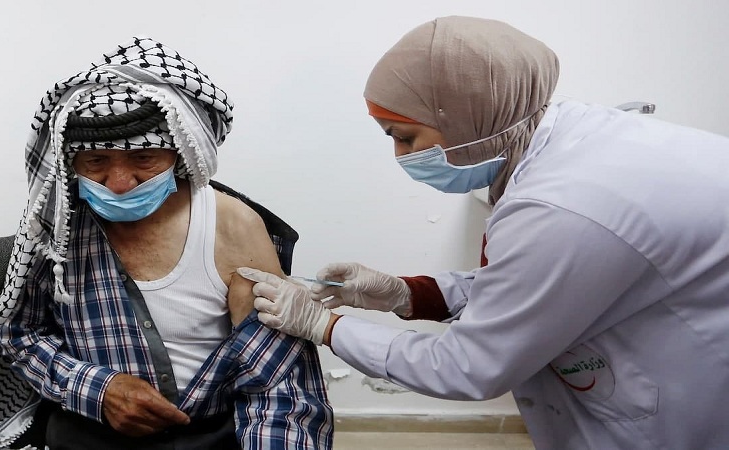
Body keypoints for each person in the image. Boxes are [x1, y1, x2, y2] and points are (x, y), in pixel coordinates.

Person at [238, 15, 729, 450]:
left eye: (405, 137)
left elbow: (469, 366)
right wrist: (405, 293)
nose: (401, 156)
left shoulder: (563, 207)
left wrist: (326, 326)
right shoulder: (560, 136)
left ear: (466, 115)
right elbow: (536, 282)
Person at [0, 37, 333, 450]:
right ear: (71, 162)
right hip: (87, 430)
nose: (119, 184)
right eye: (96, 162)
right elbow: (22, 336)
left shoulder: (232, 226)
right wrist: (98, 390)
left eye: (143, 158)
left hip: (212, 434)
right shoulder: (58, 228)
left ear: (180, 152)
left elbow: (278, 382)